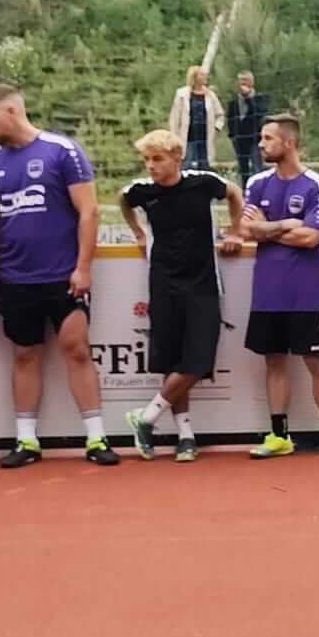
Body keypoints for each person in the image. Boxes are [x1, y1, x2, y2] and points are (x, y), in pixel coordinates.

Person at [0, 83, 119, 467]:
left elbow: (88, 211)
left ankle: (96, 438)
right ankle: (26, 440)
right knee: (25, 354)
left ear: (11, 111)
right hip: (15, 277)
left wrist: (82, 267)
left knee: (77, 348)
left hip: (63, 275)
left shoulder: (62, 151)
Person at [118, 129, 243, 463]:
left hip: (203, 284)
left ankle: (145, 417)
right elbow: (123, 200)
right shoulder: (143, 191)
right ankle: (185, 436)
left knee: (198, 361)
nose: (151, 166)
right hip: (164, 284)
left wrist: (236, 230)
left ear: (177, 158)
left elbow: (234, 193)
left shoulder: (203, 183)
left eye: (157, 159)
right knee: (173, 361)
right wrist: (138, 232)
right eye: (147, 160)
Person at [240, 112, 319, 459]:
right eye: (261, 138)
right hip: (266, 293)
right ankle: (279, 435)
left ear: (289, 142)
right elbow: (246, 229)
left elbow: (310, 238)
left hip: (304, 293)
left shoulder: (316, 185)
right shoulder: (257, 183)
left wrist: (267, 229)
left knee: (316, 362)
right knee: (274, 362)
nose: (261, 144)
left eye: (268, 138)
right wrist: (286, 224)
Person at [168, 66, 227, 173]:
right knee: (186, 166)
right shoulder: (182, 94)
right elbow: (174, 118)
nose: (205, 77)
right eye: (202, 75)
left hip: (205, 138)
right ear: (194, 77)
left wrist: (216, 127)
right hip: (187, 138)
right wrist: (174, 137)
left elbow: (220, 114)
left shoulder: (210, 95)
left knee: (204, 167)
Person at [227, 71, 267, 185]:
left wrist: (249, 98)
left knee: (256, 167)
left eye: (245, 80)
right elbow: (230, 118)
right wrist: (232, 135)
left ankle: (259, 189)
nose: (242, 83)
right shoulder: (234, 100)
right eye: (240, 80)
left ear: (251, 82)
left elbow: (260, 114)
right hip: (240, 140)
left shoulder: (259, 98)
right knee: (243, 169)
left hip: (255, 139)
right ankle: (245, 191)